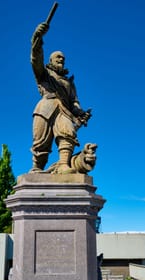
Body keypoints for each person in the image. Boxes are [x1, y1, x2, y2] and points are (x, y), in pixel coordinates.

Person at [30, 22, 91, 174]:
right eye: (57, 57)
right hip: (46, 107)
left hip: (64, 111)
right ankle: (37, 167)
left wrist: (79, 112)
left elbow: (74, 101)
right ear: (50, 60)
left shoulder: (69, 83)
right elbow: (35, 59)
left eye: (63, 58)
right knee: (40, 140)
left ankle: (64, 164)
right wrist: (37, 37)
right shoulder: (44, 74)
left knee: (67, 133)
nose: (61, 59)